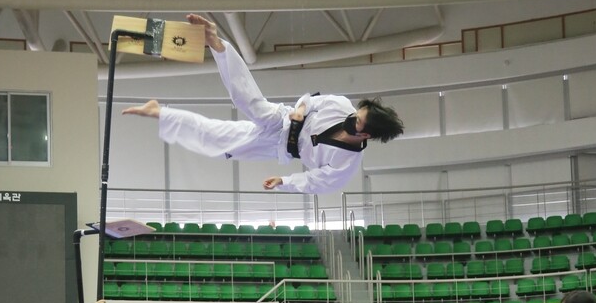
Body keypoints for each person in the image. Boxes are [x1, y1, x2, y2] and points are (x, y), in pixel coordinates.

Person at [123, 14, 404, 196]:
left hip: (276, 147)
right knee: (249, 102)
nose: (351, 117)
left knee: (220, 143)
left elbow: (317, 182)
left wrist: (284, 181)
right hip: (282, 120)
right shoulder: (341, 106)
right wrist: (302, 109)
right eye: (357, 112)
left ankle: (160, 112)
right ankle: (217, 43)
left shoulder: (347, 163)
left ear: (366, 134)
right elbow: (311, 99)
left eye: (357, 121)